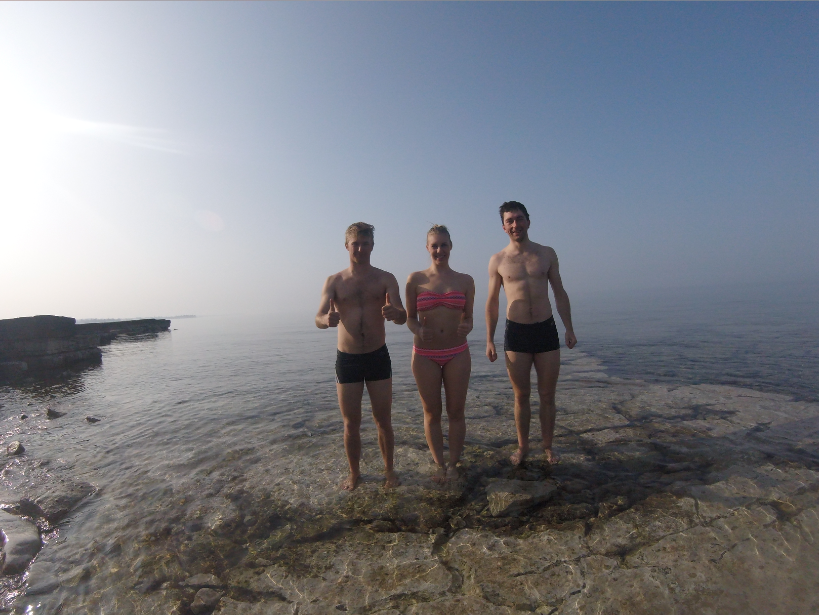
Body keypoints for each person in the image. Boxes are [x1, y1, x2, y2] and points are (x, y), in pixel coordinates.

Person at [316, 222, 407, 491]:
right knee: (350, 423)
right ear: (347, 246)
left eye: (365, 243)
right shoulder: (334, 281)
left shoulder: (385, 278)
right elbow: (318, 317)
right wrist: (326, 320)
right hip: (348, 359)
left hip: (377, 355)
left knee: (383, 420)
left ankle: (389, 470)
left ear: (372, 246)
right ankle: (354, 473)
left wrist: (396, 314)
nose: (360, 248)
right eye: (355, 244)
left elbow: (402, 316)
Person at [485, 201, 577, 467]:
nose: (515, 224)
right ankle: (523, 446)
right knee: (521, 396)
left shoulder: (546, 253)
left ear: (528, 221)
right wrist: (489, 339)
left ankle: (548, 446)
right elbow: (492, 302)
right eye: (510, 221)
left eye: (519, 218)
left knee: (547, 395)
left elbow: (559, 292)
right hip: (516, 332)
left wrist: (569, 327)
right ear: (504, 227)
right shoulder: (498, 260)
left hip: (545, 329)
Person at [406, 225, 475, 483]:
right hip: (425, 355)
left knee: (456, 412)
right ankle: (439, 464)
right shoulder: (415, 280)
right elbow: (410, 319)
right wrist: (418, 330)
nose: (439, 250)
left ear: (451, 246)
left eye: (443, 245)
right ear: (427, 248)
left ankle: (453, 464)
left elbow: (469, 318)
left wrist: (467, 326)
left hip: (457, 352)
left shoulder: (465, 281)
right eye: (434, 245)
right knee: (432, 412)